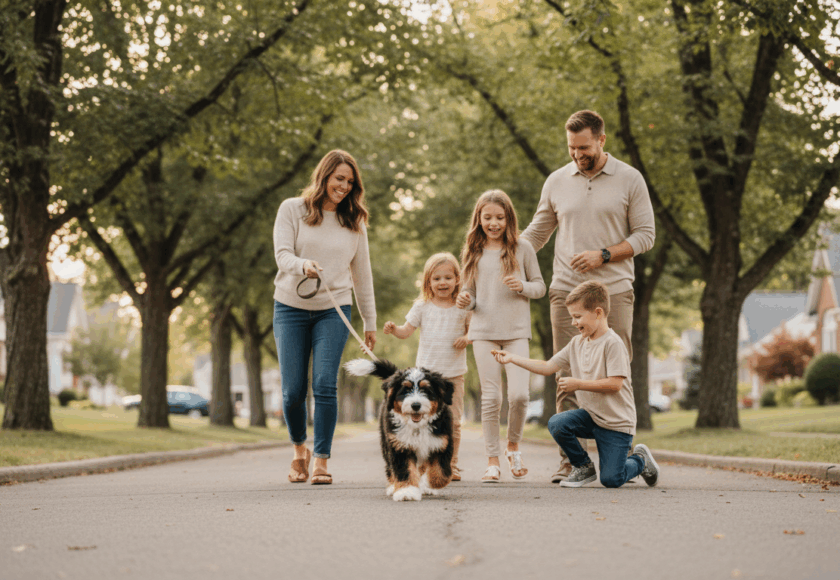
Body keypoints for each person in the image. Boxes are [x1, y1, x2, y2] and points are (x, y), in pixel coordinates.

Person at [520, 109, 655, 483]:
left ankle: (623, 451)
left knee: (616, 369)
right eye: (571, 148)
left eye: (584, 147)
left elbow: (646, 235)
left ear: (601, 140)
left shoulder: (630, 178)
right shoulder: (557, 181)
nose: (578, 154)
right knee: (566, 371)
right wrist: (502, 253)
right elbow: (537, 233)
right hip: (566, 288)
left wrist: (604, 254)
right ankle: (572, 460)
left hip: (614, 290)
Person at [491, 280, 659, 488]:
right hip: (591, 417)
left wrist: (578, 384)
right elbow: (547, 366)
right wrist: (512, 358)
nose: (573, 322)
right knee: (557, 423)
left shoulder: (612, 343)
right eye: (572, 317)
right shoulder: (577, 343)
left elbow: (615, 384)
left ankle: (640, 460)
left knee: (611, 479)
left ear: (598, 312)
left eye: (577, 316)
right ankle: (583, 466)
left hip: (616, 424)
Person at [273, 149, 377, 485]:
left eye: (350, 181)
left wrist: (369, 322)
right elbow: (282, 254)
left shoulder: (355, 222)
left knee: (324, 384)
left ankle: (321, 460)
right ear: (324, 177)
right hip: (290, 307)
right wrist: (302, 264)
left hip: (334, 310)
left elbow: (363, 276)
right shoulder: (293, 209)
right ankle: (299, 452)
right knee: (292, 391)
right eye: (339, 179)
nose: (345, 186)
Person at [455, 190, 545, 483]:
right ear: (478, 219)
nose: (493, 223)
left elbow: (541, 287)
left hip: (517, 332)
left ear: (509, 219)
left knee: (519, 395)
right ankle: (492, 460)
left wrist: (522, 286)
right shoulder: (472, 252)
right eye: (488, 217)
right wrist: (464, 300)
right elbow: (470, 297)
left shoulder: (523, 249)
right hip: (484, 333)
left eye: (500, 218)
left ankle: (513, 447)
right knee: (492, 398)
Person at [383, 252, 471, 481]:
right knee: (421, 421)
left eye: (448, 278)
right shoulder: (422, 306)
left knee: (453, 422)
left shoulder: (463, 305)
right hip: (425, 379)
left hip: (454, 375)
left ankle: (451, 464)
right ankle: (421, 463)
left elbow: (476, 330)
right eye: (437, 278)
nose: (443, 283)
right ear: (428, 282)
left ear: (457, 279)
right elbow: (406, 331)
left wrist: (467, 338)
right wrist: (394, 330)